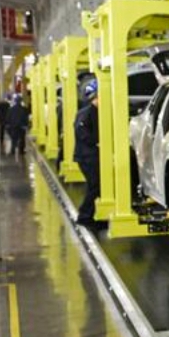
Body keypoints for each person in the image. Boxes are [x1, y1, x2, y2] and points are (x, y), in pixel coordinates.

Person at [74, 80, 101, 227]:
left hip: (89, 155)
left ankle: (87, 214)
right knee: (95, 185)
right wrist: (97, 142)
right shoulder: (87, 113)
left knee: (95, 185)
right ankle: (84, 215)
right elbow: (81, 132)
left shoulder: (94, 112)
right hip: (87, 156)